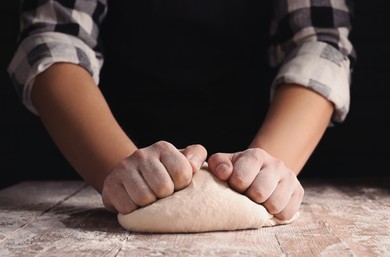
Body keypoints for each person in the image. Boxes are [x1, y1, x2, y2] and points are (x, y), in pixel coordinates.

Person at [8, 0, 356, 221]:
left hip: (257, 137)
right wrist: (116, 169)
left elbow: (319, 43)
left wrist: (264, 173)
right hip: (101, 152)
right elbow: (53, 37)